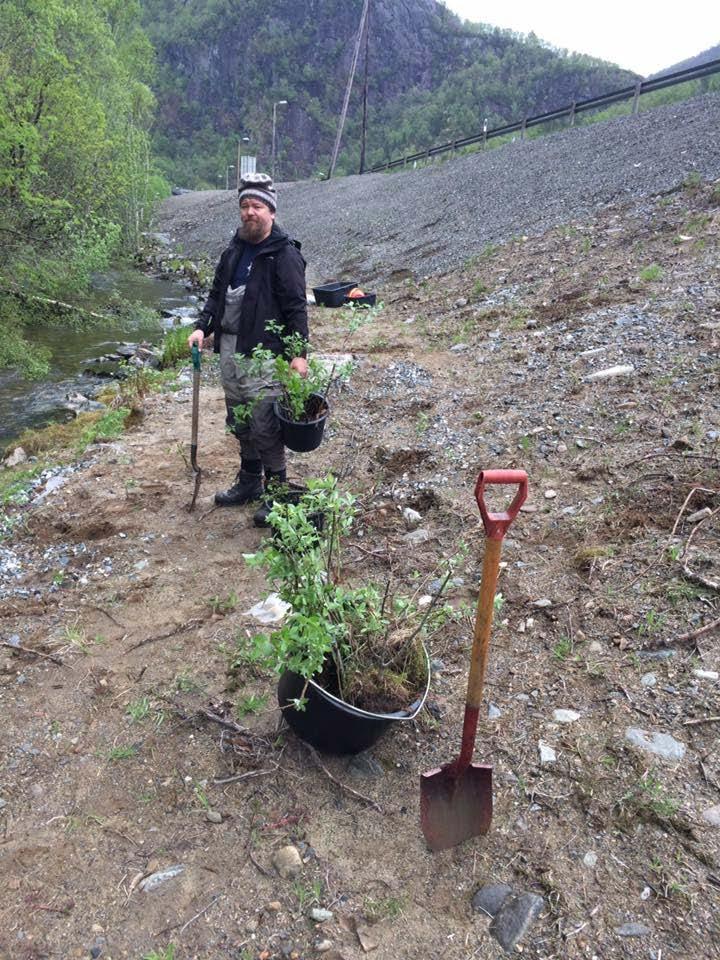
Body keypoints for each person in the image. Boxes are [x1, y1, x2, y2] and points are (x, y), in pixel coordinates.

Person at [187, 172, 308, 526]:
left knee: (265, 423)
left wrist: (298, 354)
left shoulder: (284, 255)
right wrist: (200, 327)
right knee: (239, 420)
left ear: (271, 211)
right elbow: (215, 296)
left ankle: (278, 493)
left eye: (257, 205)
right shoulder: (233, 251)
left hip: (265, 355)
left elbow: (296, 309)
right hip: (229, 349)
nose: (249, 212)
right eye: (244, 206)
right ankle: (250, 482)